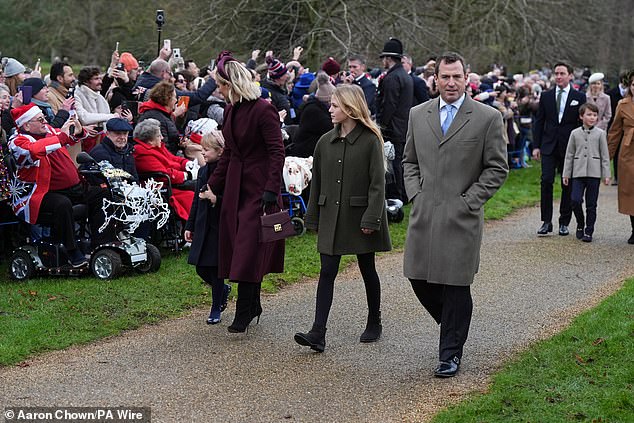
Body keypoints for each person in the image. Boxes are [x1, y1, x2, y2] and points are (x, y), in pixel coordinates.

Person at [402, 52, 508, 377]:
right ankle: (453, 327)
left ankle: (450, 352)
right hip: (424, 214)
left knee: (456, 285)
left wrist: (469, 201)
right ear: (435, 78)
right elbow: (408, 161)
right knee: (418, 277)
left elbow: (497, 168)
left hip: (462, 217)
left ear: (467, 78)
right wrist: (415, 194)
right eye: (444, 77)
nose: (450, 83)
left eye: (456, 77)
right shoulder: (418, 114)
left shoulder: (487, 117)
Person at [294, 84, 392, 352]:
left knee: (367, 269)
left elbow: (377, 184)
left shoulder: (371, 140)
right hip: (331, 216)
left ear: (350, 108)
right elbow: (317, 184)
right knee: (327, 271)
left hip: (359, 216)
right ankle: (318, 332)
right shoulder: (324, 142)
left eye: (335, 105)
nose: (330, 109)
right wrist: (312, 217)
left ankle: (375, 320)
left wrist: (372, 218)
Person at [207, 51, 285, 333]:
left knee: (249, 248)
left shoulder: (263, 109)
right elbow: (229, 152)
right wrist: (214, 183)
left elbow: (277, 151)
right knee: (238, 246)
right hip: (235, 187)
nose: (218, 89)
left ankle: (245, 308)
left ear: (233, 83)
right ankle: (253, 303)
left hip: (259, 185)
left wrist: (270, 189)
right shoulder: (231, 109)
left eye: (221, 84)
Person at [8, 103, 111, 266]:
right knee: (62, 204)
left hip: (70, 189)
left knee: (102, 193)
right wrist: (62, 136)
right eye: (40, 119)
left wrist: (78, 131)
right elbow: (36, 150)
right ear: (26, 124)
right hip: (37, 196)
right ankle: (72, 252)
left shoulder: (48, 130)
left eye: (44, 118)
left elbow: (67, 138)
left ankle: (100, 243)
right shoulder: (18, 142)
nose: (45, 121)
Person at [532, 62, 586, 236]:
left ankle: (564, 222)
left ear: (570, 75)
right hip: (548, 145)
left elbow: (581, 123)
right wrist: (536, 146)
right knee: (546, 181)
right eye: (556, 73)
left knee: (567, 184)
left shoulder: (579, 96)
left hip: (569, 147)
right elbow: (539, 121)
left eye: (562, 73)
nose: (559, 76)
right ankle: (546, 222)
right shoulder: (546, 96)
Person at [184, 131, 231, 324]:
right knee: (201, 267)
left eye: (206, 150)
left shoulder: (226, 170)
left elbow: (231, 198)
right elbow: (196, 198)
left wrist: (215, 199)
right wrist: (190, 224)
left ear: (220, 152)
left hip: (219, 224)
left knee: (216, 268)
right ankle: (222, 290)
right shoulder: (204, 171)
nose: (202, 153)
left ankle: (215, 306)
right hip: (203, 223)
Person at [562, 103, 611, 242]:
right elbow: (569, 154)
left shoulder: (601, 134)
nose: (592, 117)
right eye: (589, 114)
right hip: (578, 173)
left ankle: (589, 231)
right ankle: (580, 223)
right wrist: (566, 173)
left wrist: (606, 175)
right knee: (575, 200)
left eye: (595, 115)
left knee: (591, 204)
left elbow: (605, 156)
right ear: (581, 116)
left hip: (594, 174)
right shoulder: (574, 133)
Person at [133, 118, 196, 222]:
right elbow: (163, 175)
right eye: (158, 136)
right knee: (193, 196)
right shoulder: (141, 152)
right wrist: (188, 175)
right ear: (150, 140)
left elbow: (173, 159)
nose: (162, 138)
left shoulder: (156, 147)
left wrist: (186, 164)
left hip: (171, 184)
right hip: (162, 189)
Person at [376, 38, 413, 202]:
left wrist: (381, 126)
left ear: (388, 58)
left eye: (383, 58)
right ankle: (403, 194)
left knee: (394, 162)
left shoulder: (392, 78)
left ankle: (397, 195)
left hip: (393, 128)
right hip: (403, 126)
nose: (383, 61)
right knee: (400, 161)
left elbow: (388, 105)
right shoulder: (403, 75)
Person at [607, 71, 634, 244]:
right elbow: (615, 132)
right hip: (628, 151)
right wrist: (606, 159)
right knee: (630, 191)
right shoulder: (622, 104)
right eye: (633, 84)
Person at [137, 81, 186, 154]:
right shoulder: (155, 117)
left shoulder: (164, 114)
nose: (176, 100)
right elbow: (163, 148)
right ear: (167, 99)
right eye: (174, 97)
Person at [89, 117, 138, 181]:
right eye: (118, 133)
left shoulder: (128, 152)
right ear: (107, 134)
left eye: (125, 133)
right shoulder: (99, 153)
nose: (122, 137)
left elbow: (135, 179)